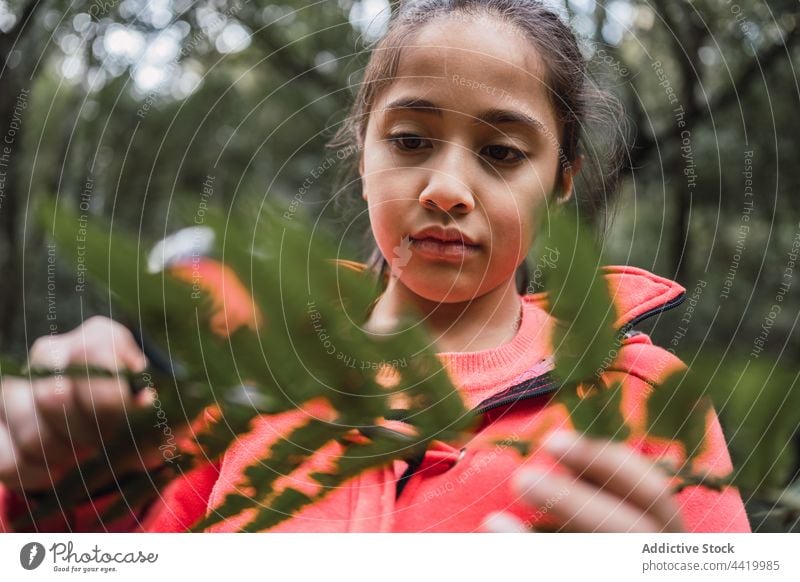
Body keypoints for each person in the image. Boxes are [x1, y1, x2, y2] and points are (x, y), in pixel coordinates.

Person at [0, 0, 750, 533]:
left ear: (559, 180)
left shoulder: (643, 400)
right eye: (411, 140)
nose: (448, 190)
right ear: (363, 153)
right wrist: (57, 489)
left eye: (502, 153)